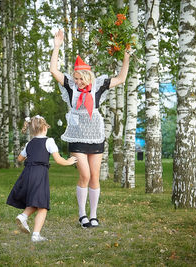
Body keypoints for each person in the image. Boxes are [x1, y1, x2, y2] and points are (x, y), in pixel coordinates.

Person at [50, 29, 131, 228]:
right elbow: (54, 71)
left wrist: (126, 57)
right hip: (77, 135)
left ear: (87, 76)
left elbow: (121, 79)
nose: (77, 82)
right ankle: (81, 214)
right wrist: (56, 47)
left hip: (96, 134)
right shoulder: (70, 86)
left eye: (80, 78)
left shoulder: (99, 85)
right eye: (75, 78)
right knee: (84, 175)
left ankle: (93, 216)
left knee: (95, 176)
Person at [6, 115, 77, 242]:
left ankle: (24, 217)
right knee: (43, 205)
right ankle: (35, 234)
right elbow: (58, 160)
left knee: (36, 201)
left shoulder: (29, 143)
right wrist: (69, 161)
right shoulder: (49, 141)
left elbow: (19, 159)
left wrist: (31, 157)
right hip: (40, 174)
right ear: (44, 127)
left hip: (27, 174)